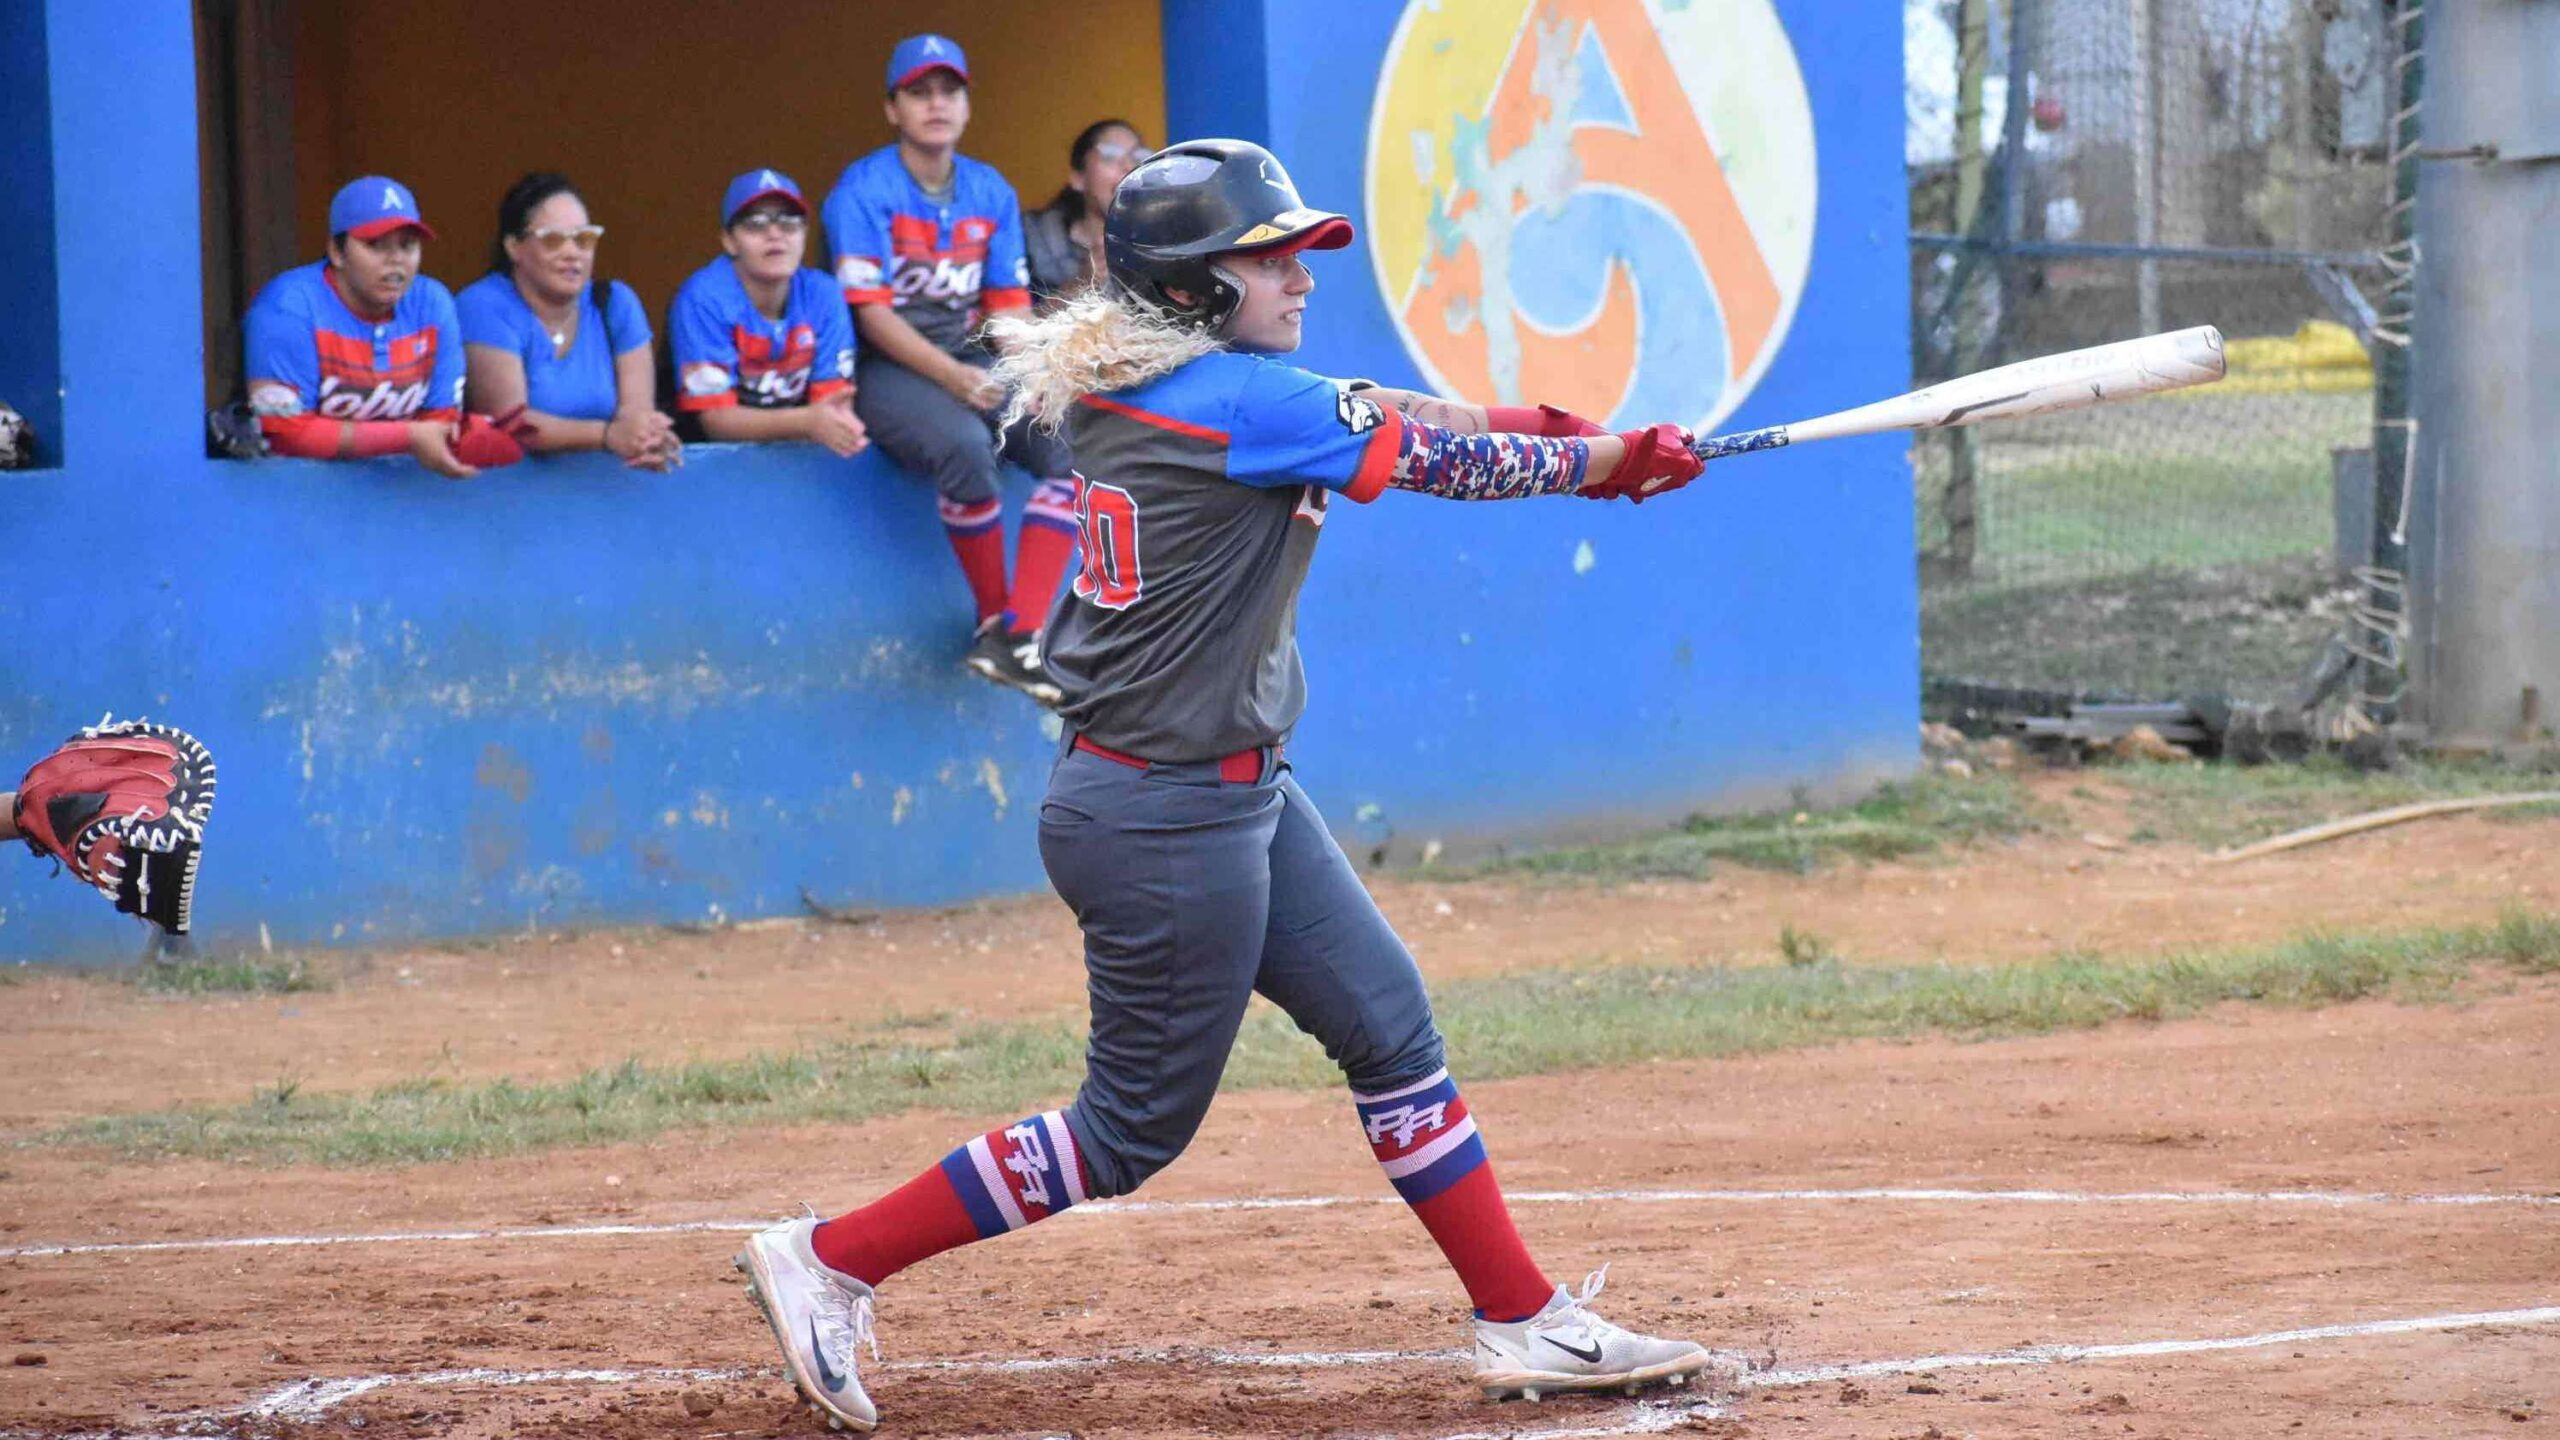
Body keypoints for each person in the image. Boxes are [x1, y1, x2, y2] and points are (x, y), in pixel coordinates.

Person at [733, 139, 1713, 1432]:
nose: (1296, 274)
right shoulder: (1240, 404)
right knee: (1125, 1132)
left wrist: (1564, 432)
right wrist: (1601, 464)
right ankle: (829, 1258)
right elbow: (1422, 456)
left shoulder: (1173, 385)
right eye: (1265, 256)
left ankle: (1523, 1319)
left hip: (1225, 792)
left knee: (1388, 1026)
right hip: (1163, 815)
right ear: (1193, 288)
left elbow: (1374, 413)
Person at [823, 33, 1079, 705]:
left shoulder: (987, 188)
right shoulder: (864, 188)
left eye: (949, 91)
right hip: (885, 364)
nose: (936, 104)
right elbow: (871, 315)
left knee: (1067, 442)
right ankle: (999, 623)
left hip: (970, 355)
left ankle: (1018, 635)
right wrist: (954, 378)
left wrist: (1036, 376)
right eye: (919, 92)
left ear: (966, 105)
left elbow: (1007, 308)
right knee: (966, 446)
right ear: (893, 109)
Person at [242, 176, 485, 477]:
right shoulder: (289, 307)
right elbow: (284, 432)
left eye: (407, 245)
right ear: (336, 251)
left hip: (399, 501)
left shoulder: (431, 304)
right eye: (375, 244)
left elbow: (441, 422)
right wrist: (409, 437)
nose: (396, 260)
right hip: (294, 499)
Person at [457, 173, 680, 472]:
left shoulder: (615, 303)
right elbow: (512, 422)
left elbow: (636, 412)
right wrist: (605, 436)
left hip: (603, 495)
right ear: (514, 247)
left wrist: (647, 435)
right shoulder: (483, 305)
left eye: (584, 239)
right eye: (553, 239)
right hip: (507, 497)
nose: (572, 253)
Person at [668, 169, 867, 457]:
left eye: (789, 223)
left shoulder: (824, 294)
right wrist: (806, 421)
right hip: (706, 465)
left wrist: (825, 423)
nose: (775, 235)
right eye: (756, 224)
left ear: (804, 234)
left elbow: (833, 405)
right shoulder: (703, 299)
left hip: (800, 456)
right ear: (729, 241)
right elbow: (715, 422)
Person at [1024, 119, 1148, 303]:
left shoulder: (1163, 242)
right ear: (1078, 178)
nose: (1129, 167)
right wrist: (1081, 283)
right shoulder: (1034, 237)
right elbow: (1014, 325)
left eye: (1138, 157)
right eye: (1110, 156)